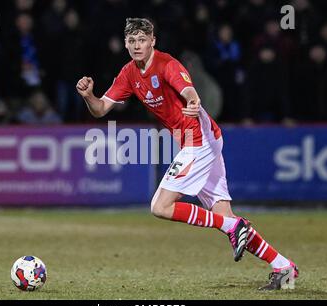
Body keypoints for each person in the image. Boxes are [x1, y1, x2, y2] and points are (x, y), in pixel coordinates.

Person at [76, 18, 298, 290]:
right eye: (132, 41)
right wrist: (89, 95)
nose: (137, 45)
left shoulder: (167, 64)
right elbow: (100, 110)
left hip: (199, 141)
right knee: (223, 214)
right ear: (125, 43)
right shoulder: (128, 74)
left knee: (160, 206)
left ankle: (232, 226)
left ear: (152, 41)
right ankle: (283, 267)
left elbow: (189, 91)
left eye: (142, 40)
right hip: (201, 141)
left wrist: (193, 102)